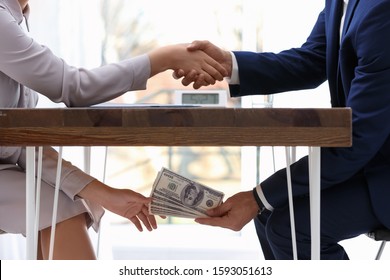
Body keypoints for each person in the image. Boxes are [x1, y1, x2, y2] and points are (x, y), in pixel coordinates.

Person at [0, 0, 227, 259]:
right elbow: (75, 87)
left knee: (62, 206)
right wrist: (164, 59)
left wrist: (107, 194)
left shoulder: (15, 19)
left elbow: (19, 144)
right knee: (59, 210)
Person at [176, 0, 390, 260]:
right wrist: (228, 64)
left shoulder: (382, 10)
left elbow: (359, 136)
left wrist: (257, 196)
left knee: (289, 228)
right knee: (268, 215)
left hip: (380, 170)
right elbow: (313, 59)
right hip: (371, 163)